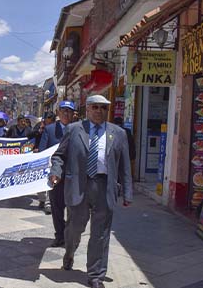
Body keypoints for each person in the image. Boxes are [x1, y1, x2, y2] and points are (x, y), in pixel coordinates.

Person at [49, 95, 132, 288]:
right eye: (95, 107)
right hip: (79, 186)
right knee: (74, 229)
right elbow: (59, 156)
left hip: (104, 187)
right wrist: (56, 173)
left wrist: (127, 193)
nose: (99, 111)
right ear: (87, 109)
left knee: (100, 234)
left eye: (103, 108)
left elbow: (125, 166)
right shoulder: (74, 129)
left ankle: (95, 275)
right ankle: (69, 252)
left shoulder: (118, 133)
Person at [38, 100, 75, 248]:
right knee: (57, 208)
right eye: (63, 110)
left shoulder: (79, 129)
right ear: (58, 113)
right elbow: (42, 150)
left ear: (73, 114)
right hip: (56, 176)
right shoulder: (50, 129)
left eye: (69, 111)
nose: (66, 113)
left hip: (73, 176)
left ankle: (70, 234)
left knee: (74, 209)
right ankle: (59, 235)